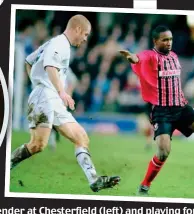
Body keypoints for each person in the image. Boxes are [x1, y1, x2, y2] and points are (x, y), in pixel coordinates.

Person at [119, 25, 194, 195]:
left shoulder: (174, 56)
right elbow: (141, 58)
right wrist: (133, 58)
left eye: (170, 40)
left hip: (181, 107)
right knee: (163, 152)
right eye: (165, 40)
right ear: (155, 41)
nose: (169, 43)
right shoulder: (151, 56)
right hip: (162, 112)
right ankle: (145, 184)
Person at [11, 15, 120, 192]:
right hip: (46, 96)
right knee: (38, 144)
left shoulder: (55, 43)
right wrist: (53, 90)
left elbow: (29, 61)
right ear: (77, 29)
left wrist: (38, 82)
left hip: (51, 97)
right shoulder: (60, 44)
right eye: (85, 34)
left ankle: (94, 180)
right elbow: (50, 66)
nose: (85, 39)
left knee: (81, 137)